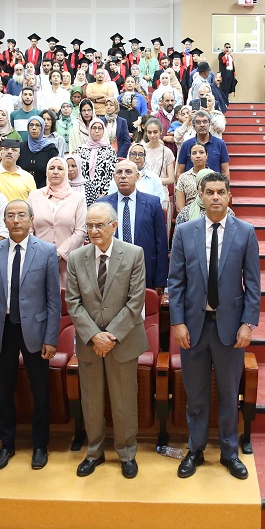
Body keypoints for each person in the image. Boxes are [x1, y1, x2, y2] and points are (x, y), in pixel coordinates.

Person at [167, 172, 260, 480]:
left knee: (229, 394)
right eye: (210, 192)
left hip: (230, 329)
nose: (216, 197)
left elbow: (254, 285)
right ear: (200, 197)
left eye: (221, 192)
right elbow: (176, 282)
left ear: (229, 196)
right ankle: (195, 450)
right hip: (193, 327)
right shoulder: (184, 232)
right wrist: (177, 321)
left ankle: (230, 453)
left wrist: (248, 323)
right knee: (195, 395)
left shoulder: (245, 232)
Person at [64, 203, 148, 479]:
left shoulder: (134, 254)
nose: (93, 230)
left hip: (122, 342)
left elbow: (136, 301)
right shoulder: (77, 258)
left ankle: (127, 452)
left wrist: (110, 336)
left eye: (99, 225)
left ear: (114, 226)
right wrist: (94, 336)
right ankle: (94, 452)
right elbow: (73, 303)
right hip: (90, 343)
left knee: (124, 401)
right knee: (92, 402)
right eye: (89, 225)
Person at [0, 200, 61, 471]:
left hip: (36, 330)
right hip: (4, 329)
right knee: (4, 390)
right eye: (10, 216)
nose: (15, 220)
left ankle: (40, 445)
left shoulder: (47, 251)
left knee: (40, 390)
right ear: (4, 221)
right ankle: (7, 444)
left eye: (21, 215)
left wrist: (51, 338)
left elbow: (53, 299)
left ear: (31, 219)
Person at [98, 159, 168, 291]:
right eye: (119, 172)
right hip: (110, 270)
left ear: (137, 176)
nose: (123, 176)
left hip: (144, 269)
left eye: (128, 172)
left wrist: (160, 280)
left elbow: (161, 244)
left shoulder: (152, 203)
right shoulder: (103, 204)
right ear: (114, 177)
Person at [28, 157, 86, 286]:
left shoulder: (78, 198)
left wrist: (59, 254)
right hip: (38, 260)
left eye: (60, 169)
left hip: (68, 262)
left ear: (65, 172)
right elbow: (29, 229)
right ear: (46, 172)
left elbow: (81, 232)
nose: (55, 172)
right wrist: (41, 253)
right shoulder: (34, 195)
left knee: (65, 302)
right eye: (51, 168)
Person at [175, 110, 230, 178]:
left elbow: (225, 171)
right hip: (191, 186)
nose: (202, 125)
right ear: (194, 126)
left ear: (209, 124)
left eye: (205, 122)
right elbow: (180, 171)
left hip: (214, 185)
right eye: (198, 122)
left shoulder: (220, 144)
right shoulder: (186, 145)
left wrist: (225, 188)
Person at [18, 115, 59, 188]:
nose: (34, 128)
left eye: (37, 125)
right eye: (31, 125)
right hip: (22, 190)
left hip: (44, 191)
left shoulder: (50, 149)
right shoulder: (20, 147)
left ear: (42, 128)